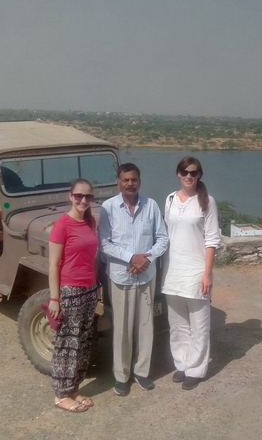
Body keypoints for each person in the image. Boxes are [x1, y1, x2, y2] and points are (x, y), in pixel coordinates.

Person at [97, 163, 169, 396]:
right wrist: (131, 257)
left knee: (146, 327)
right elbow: (105, 243)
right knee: (122, 329)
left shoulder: (151, 206)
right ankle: (121, 375)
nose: (130, 184)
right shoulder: (108, 208)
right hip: (120, 277)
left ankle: (142, 372)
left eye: (134, 179)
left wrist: (146, 258)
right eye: (126, 180)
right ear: (118, 182)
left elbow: (162, 238)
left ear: (139, 181)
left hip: (146, 275)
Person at [162, 156, 220, 390]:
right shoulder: (170, 200)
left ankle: (196, 370)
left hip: (196, 271)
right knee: (177, 324)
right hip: (173, 271)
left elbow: (212, 240)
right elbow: (167, 233)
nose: (189, 176)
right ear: (178, 173)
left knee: (199, 324)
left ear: (199, 176)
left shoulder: (207, 202)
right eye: (185, 172)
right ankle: (182, 364)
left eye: (193, 173)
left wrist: (207, 274)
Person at [47, 179, 100, 413]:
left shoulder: (90, 222)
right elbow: (53, 264)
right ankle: (60, 394)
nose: (83, 200)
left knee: (83, 342)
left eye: (88, 197)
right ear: (70, 196)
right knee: (67, 344)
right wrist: (55, 298)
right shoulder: (63, 225)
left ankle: (74, 387)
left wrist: (96, 287)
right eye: (79, 196)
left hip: (88, 289)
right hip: (69, 291)